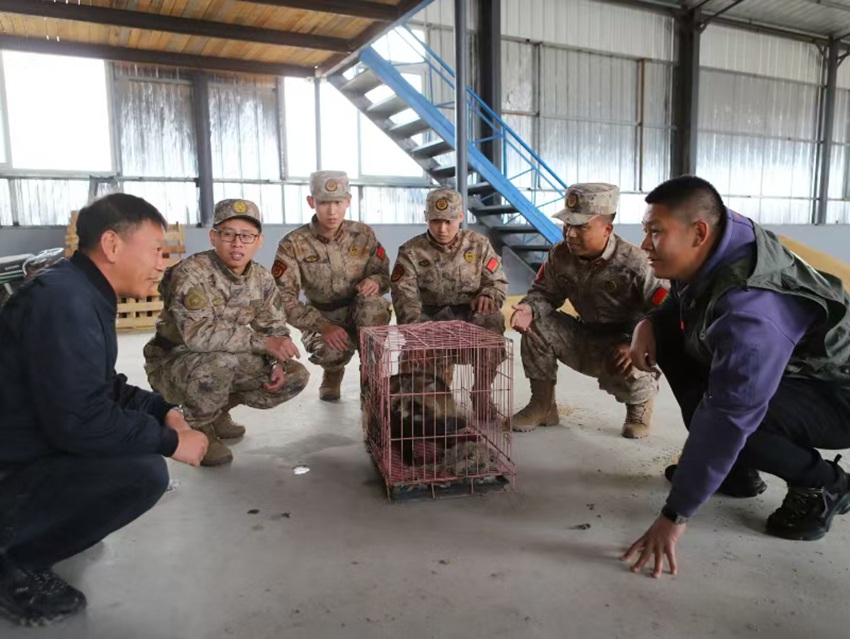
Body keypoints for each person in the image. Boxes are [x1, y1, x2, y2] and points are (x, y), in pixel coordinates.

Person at [622, 176, 850, 578]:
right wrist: (648, 323)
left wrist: (676, 514)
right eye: (646, 231)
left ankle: (825, 483)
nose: (644, 245)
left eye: (656, 233)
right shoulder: (722, 236)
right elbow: (681, 297)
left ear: (699, 232)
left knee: (734, 420)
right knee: (674, 343)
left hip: (839, 392)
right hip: (798, 370)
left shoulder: (752, 315)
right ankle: (735, 468)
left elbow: (730, 415)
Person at [0, 194, 208, 626]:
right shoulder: (66, 302)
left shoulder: (78, 289)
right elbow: (81, 421)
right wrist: (170, 441)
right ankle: (13, 565)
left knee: (128, 448)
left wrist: (161, 408)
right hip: (11, 461)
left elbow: (99, 385)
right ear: (112, 245)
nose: (162, 263)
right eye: (155, 249)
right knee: (143, 474)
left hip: (25, 443)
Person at [144, 199, 308, 467]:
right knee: (222, 361)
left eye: (246, 236)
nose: (237, 243)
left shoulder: (261, 279)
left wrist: (278, 360)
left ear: (259, 241)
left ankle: (217, 411)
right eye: (228, 234)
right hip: (173, 360)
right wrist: (263, 343)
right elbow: (197, 335)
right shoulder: (191, 273)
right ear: (214, 237)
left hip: (218, 360)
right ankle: (199, 425)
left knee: (295, 375)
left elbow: (274, 327)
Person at [511, 183, 669, 438]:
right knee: (536, 322)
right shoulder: (560, 255)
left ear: (607, 229)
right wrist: (528, 309)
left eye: (581, 226)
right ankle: (543, 405)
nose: (570, 234)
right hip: (586, 336)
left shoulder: (636, 264)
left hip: (626, 344)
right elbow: (544, 294)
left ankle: (639, 405)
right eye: (567, 225)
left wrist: (636, 344)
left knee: (633, 357)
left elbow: (668, 314)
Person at [273, 170, 391, 401]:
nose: (332, 210)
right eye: (324, 202)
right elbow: (282, 299)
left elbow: (384, 274)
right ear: (311, 202)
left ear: (348, 201)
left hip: (359, 308)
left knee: (374, 306)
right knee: (330, 352)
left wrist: (375, 281)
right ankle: (333, 372)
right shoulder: (293, 243)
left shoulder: (363, 234)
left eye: (338, 202)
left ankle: (371, 378)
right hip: (321, 313)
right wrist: (322, 325)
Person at [391, 187, 508, 414]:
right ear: (426, 217)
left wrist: (488, 294)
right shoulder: (411, 251)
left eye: (449, 221)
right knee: (428, 399)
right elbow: (405, 298)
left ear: (461, 217)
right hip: (430, 321)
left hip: (469, 318)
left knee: (492, 320)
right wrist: (416, 334)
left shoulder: (479, 244)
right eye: (435, 221)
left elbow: (497, 282)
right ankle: (436, 396)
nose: (442, 229)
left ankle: (482, 393)